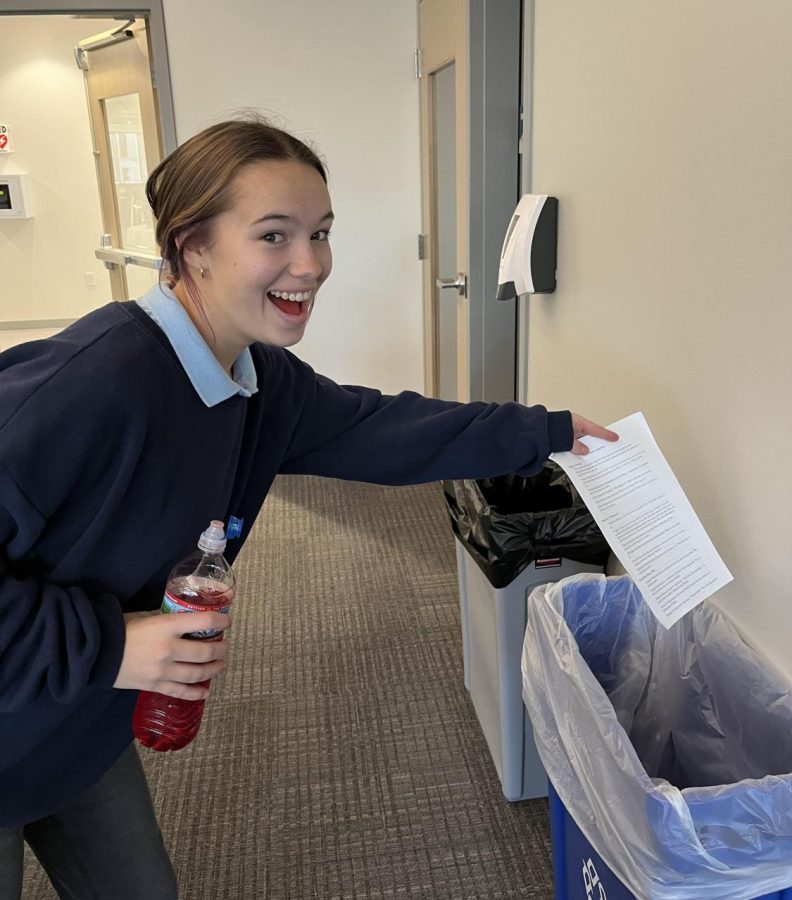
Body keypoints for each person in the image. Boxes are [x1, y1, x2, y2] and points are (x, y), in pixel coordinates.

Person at [0, 116, 617, 899]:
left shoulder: (256, 382)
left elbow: (381, 427)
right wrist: (108, 647)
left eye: (321, 233)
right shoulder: (87, 388)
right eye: (274, 235)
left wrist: (551, 432)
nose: (311, 264)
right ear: (192, 248)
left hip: (79, 726)